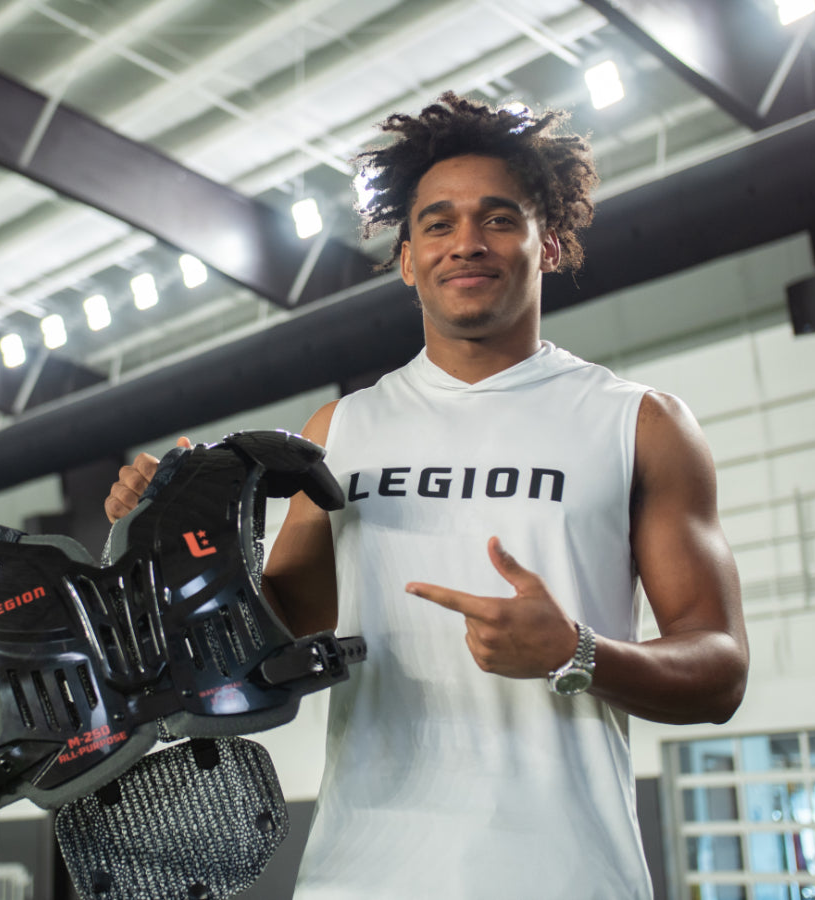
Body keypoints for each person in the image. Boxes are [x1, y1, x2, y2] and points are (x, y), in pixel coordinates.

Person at [105, 92, 749, 899]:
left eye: (499, 219)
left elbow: (720, 671)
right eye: (438, 224)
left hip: (565, 877)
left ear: (549, 244)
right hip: (359, 878)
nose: (466, 242)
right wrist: (173, 542)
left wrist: (575, 652)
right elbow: (267, 641)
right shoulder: (340, 429)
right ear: (407, 259)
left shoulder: (639, 423)